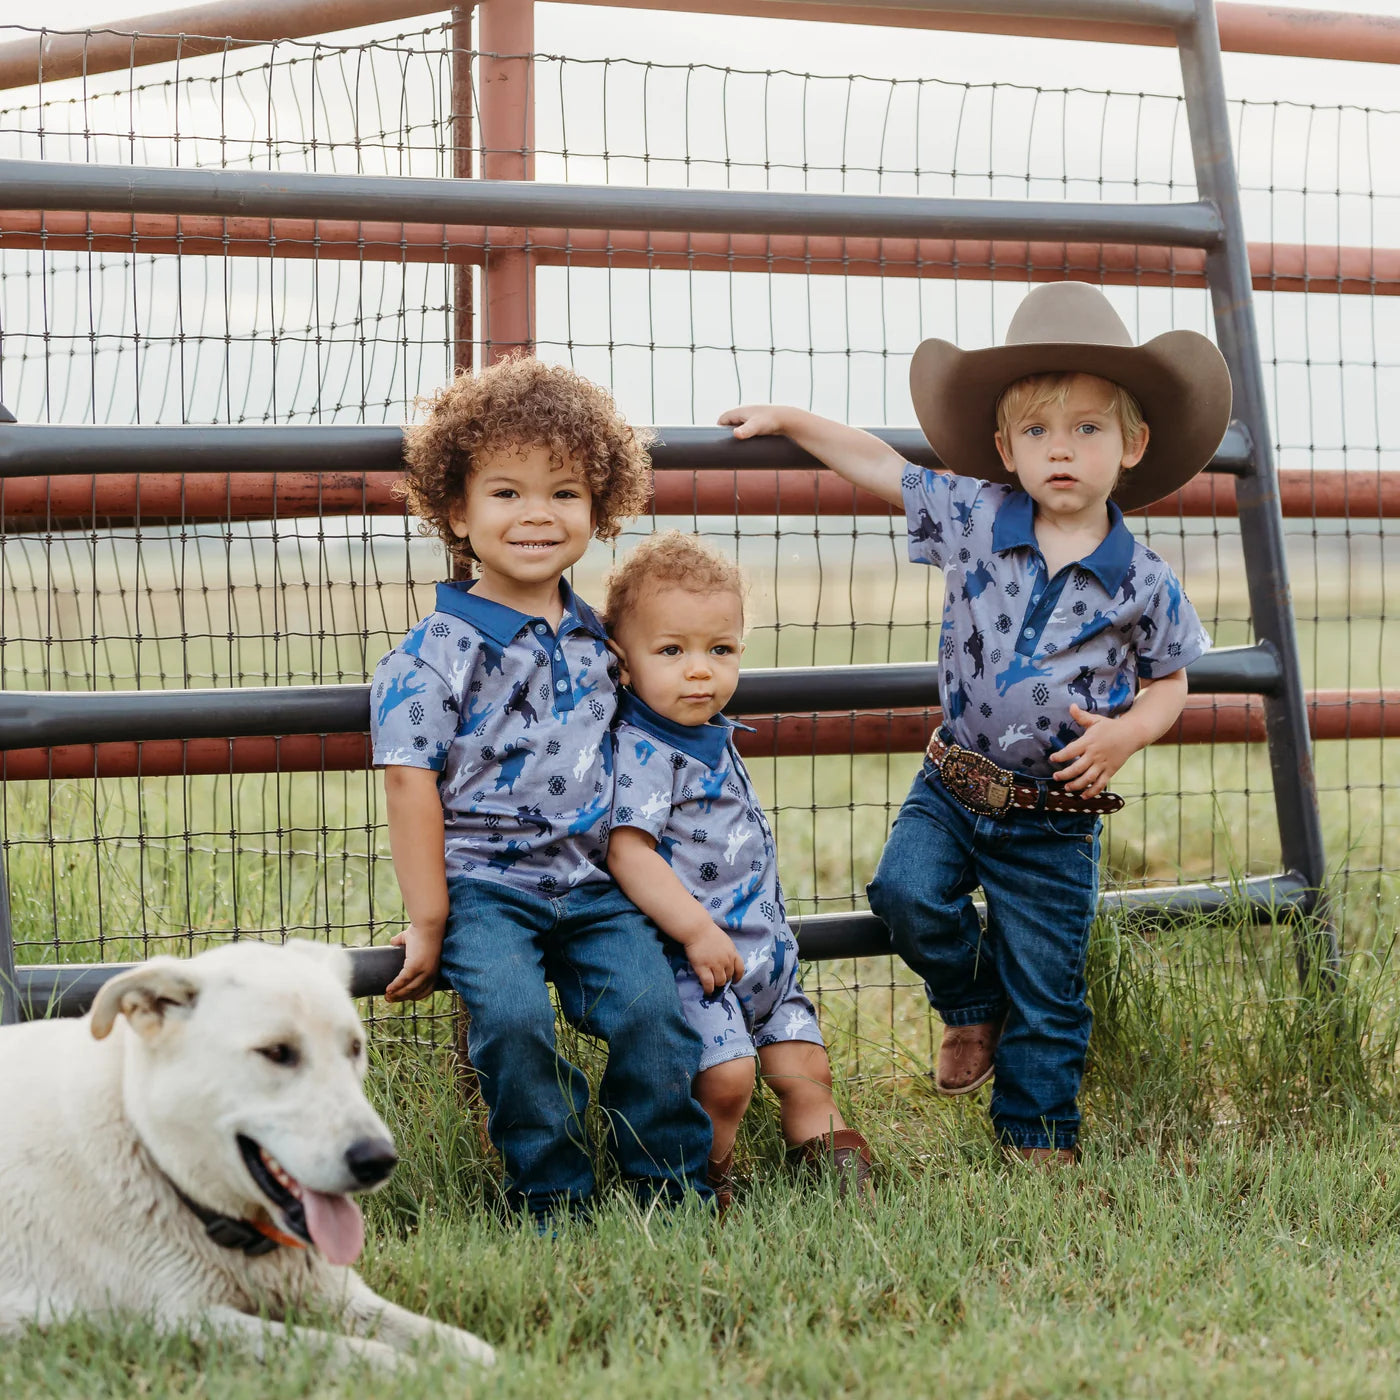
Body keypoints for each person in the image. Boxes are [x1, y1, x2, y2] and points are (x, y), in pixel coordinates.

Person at [719, 281, 1229, 1164]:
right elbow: (882, 467)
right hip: (953, 784)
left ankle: (1037, 1139)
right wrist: (796, 419)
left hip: (1057, 818)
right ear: (1004, 447)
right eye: (1036, 432)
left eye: (1086, 429)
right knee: (905, 893)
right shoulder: (976, 515)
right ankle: (968, 1001)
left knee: (1050, 982)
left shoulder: (1143, 579)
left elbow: (1172, 682)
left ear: (1133, 444)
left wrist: (1125, 734)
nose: (1059, 450)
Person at [370, 356, 713, 1222]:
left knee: (650, 1011)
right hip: (487, 890)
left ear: (598, 510)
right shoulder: (434, 651)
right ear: (456, 509)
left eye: (564, 493)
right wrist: (429, 918)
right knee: (515, 1025)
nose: (536, 515)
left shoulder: (601, 639)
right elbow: (409, 785)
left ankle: (671, 1188)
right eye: (506, 493)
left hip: (596, 883)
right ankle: (552, 1194)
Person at [603, 530, 874, 1209]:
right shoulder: (641, 750)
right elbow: (626, 849)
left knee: (808, 1069)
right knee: (725, 1080)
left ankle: (841, 1185)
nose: (701, 670)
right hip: (695, 963)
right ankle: (705, 1181)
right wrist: (695, 931)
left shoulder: (711, 732)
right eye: (672, 651)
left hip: (766, 960)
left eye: (720, 650)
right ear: (623, 662)